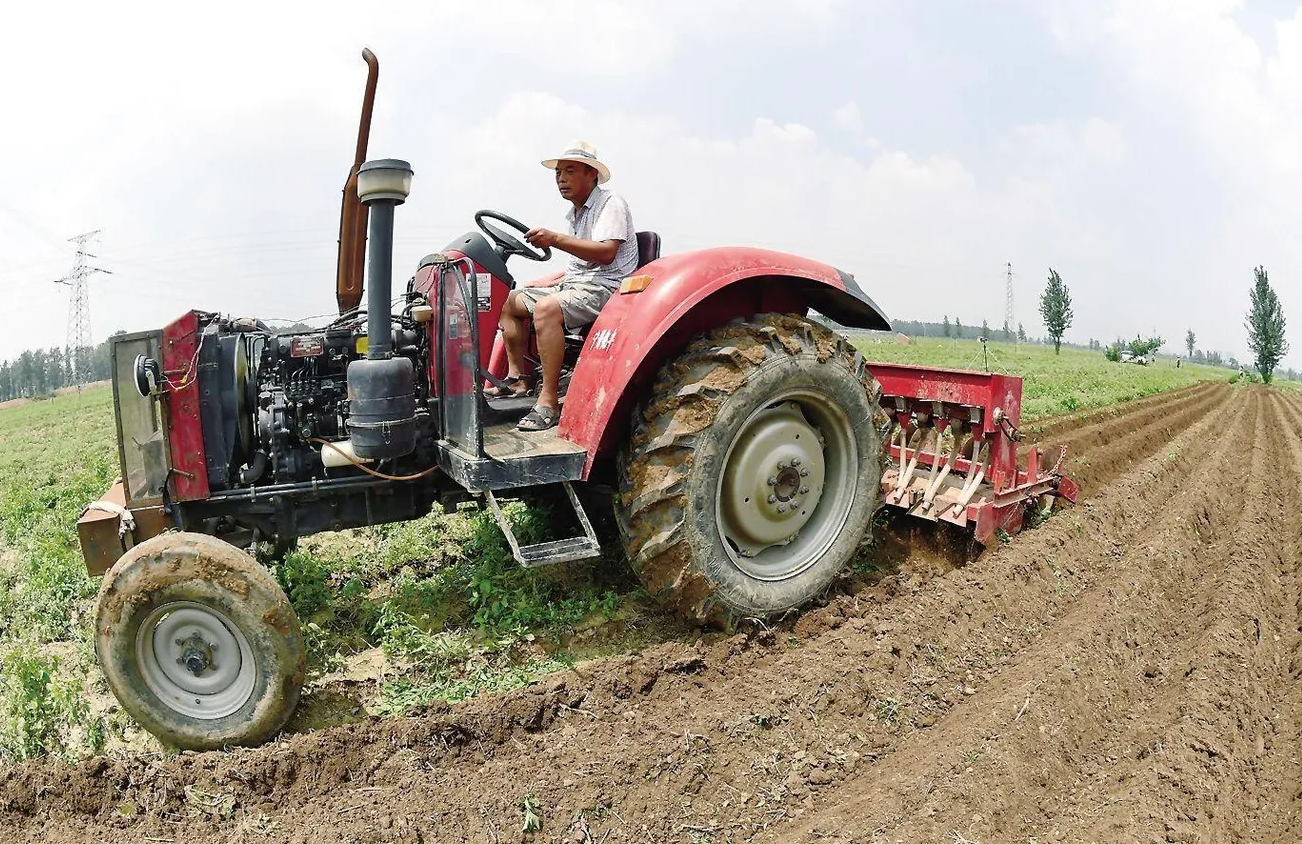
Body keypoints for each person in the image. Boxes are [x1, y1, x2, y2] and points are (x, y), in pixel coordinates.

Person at [495, 140, 638, 431]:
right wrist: (551, 280)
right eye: (558, 173)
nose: (561, 178)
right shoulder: (575, 214)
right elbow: (577, 268)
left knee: (546, 309)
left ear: (591, 175)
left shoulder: (611, 203)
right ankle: (518, 380)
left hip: (608, 287)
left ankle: (549, 402)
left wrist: (555, 239)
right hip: (579, 284)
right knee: (510, 301)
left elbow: (606, 252)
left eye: (570, 171)